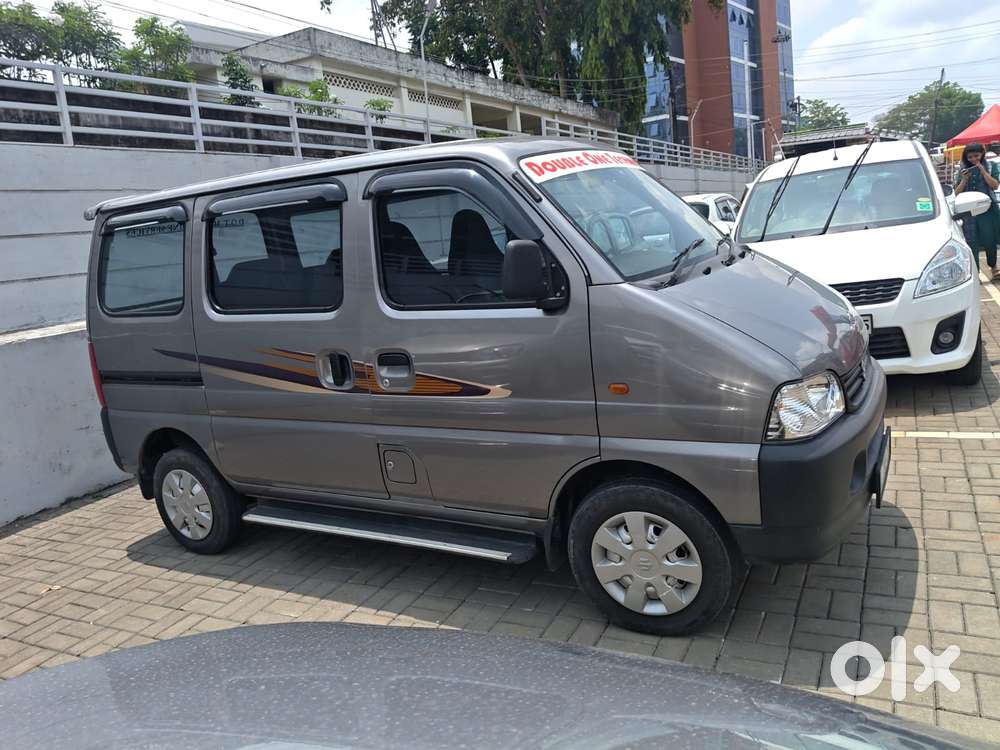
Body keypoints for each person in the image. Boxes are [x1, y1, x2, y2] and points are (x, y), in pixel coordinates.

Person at [955, 142, 1000, 278]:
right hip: (968, 211)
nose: (974, 159)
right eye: (970, 157)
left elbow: (994, 185)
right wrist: (964, 179)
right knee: (971, 240)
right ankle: (976, 271)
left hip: (987, 209)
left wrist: (983, 171)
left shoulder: (991, 166)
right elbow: (956, 192)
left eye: (977, 156)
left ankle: (993, 267)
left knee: (990, 238)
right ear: (965, 157)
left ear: (982, 154)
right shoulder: (962, 169)